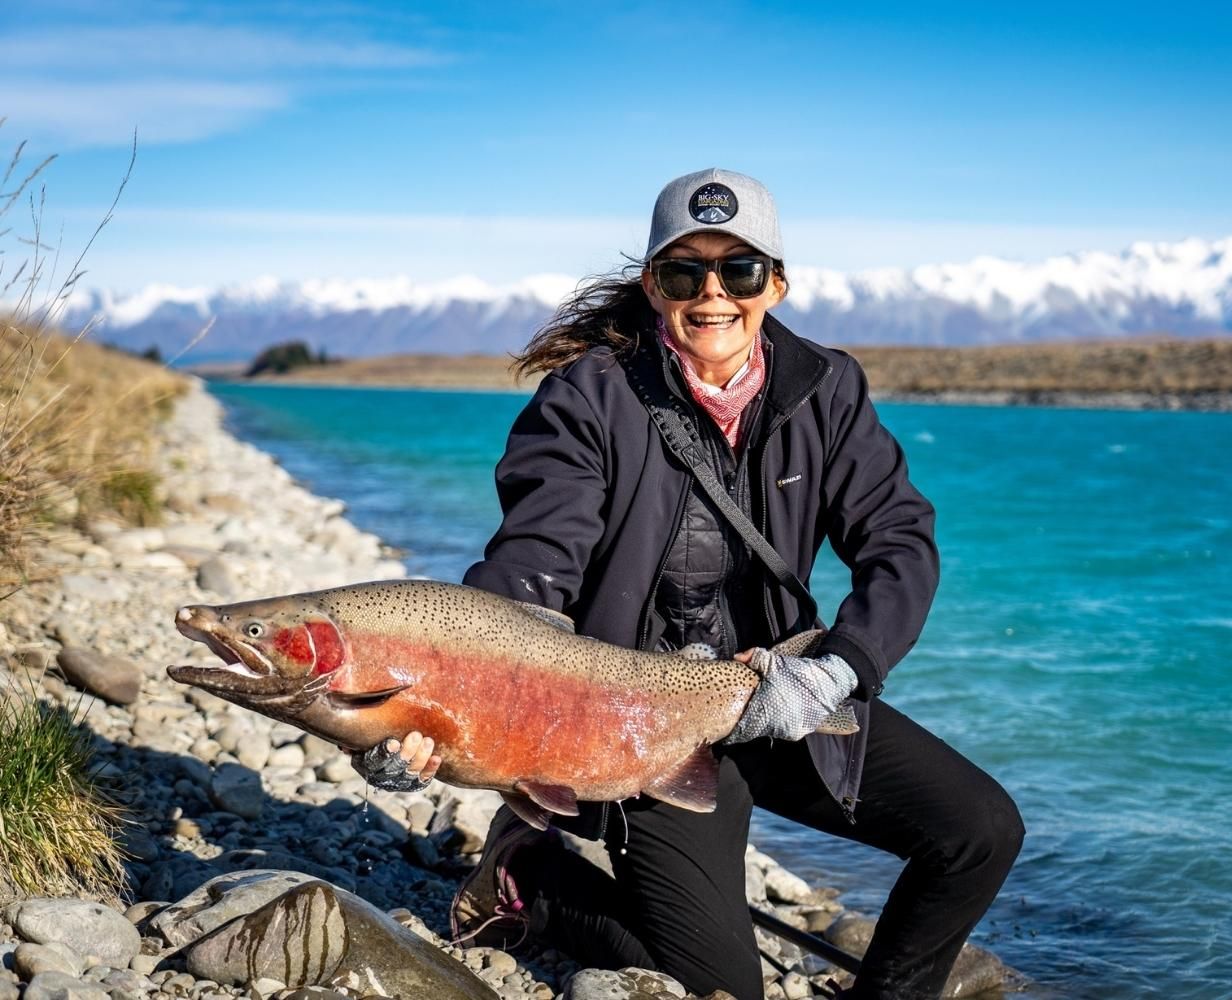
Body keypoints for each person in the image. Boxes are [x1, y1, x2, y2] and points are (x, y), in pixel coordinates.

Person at [354, 168, 1024, 1000]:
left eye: (739, 271)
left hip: (777, 693)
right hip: (634, 720)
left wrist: (838, 668)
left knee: (981, 831)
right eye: (685, 272)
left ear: (776, 283)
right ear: (652, 285)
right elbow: (533, 563)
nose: (714, 294)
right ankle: (538, 883)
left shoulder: (829, 387)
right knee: (720, 988)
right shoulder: (589, 396)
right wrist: (436, 701)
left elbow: (899, 540)